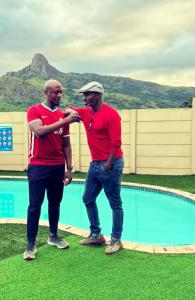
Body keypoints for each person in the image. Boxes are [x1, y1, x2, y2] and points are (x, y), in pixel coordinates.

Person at [23, 79, 80, 260]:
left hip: (57, 166)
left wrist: (69, 168)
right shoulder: (34, 111)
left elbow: (66, 144)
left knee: (55, 204)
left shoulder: (64, 116)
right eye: (55, 92)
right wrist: (66, 120)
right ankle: (31, 244)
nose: (59, 95)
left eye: (61, 92)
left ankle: (53, 236)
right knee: (35, 206)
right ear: (46, 92)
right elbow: (39, 132)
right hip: (38, 166)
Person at [65, 82, 124, 255]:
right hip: (95, 164)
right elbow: (70, 109)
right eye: (83, 95)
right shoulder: (86, 112)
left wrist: (109, 163)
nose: (84, 98)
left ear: (97, 95)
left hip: (110, 164)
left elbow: (116, 142)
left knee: (115, 203)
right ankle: (96, 235)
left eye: (87, 94)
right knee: (87, 198)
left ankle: (116, 240)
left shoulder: (111, 115)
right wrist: (68, 112)